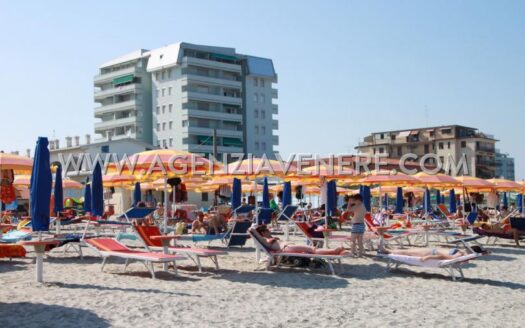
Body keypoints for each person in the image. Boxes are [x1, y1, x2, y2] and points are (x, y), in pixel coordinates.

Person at [252, 225, 347, 255]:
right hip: (287, 247)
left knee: (311, 250)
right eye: (267, 230)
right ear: (263, 233)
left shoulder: (269, 239)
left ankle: (334, 252)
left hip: (288, 246)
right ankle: (334, 251)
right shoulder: (265, 240)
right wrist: (252, 229)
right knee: (312, 249)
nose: (269, 231)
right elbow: (255, 233)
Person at [379, 245, 487, 261]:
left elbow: (442, 256)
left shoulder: (460, 255)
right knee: (408, 251)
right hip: (432, 250)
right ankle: (388, 250)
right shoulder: (462, 254)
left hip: (432, 251)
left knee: (408, 252)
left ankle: (387, 250)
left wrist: (428, 257)